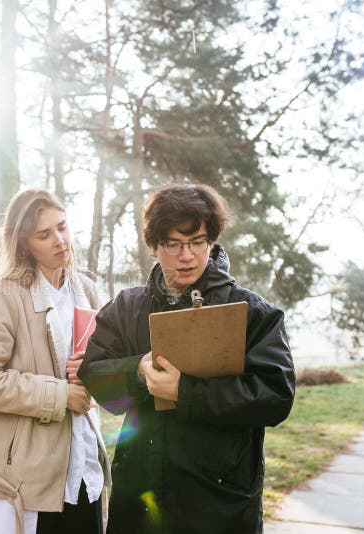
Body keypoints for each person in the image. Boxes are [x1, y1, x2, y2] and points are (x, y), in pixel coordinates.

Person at [78, 183, 295, 533]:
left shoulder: (254, 313)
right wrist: (137, 372)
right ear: (153, 246)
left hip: (217, 503)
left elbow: (275, 398)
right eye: (174, 244)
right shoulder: (126, 307)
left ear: (212, 241)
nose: (187, 256)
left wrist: (186, 392)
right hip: (140, 503)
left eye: (197, 242)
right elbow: (97, 380)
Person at [0, 189, 110, 534]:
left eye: (62, 227)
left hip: (86, 472)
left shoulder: (86, 289)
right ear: (25, 243)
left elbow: (103, 363)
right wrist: (60, 396)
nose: (60, 240)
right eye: (45, 234)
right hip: (30, 483)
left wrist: (97, 369)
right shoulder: (4, 296)